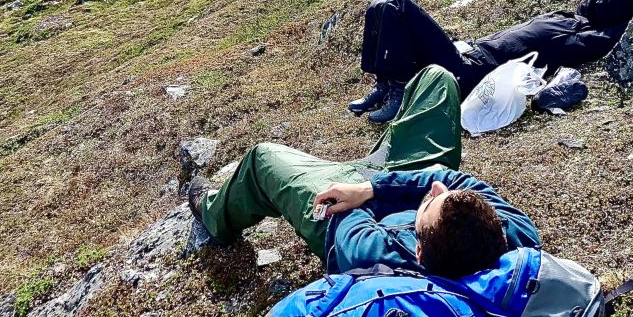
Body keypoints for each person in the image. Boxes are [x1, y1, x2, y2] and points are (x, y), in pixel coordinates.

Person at [188, 64, 540, 279]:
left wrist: (360, 192)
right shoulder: (518, 234)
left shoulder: (374, 255)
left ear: (417, 252)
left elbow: (346, 214)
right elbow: (451, 181)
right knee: (437, 78)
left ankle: (213, 213)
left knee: (264, 157)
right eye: (443, 197)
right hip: (382, 187)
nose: (434, 189)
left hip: (348, 209)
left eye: (431, 204)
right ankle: (384, 149)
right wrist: (376, 186)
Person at [350, 0, 633, 124]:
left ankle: (400, 90)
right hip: (464, 52)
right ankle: (386, 83)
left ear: (611, 10)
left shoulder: (587, 36)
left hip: (471, 73)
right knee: (378, 7)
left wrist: (631, 7)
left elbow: (622, 20)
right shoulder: (569, 17)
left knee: (400, 5)